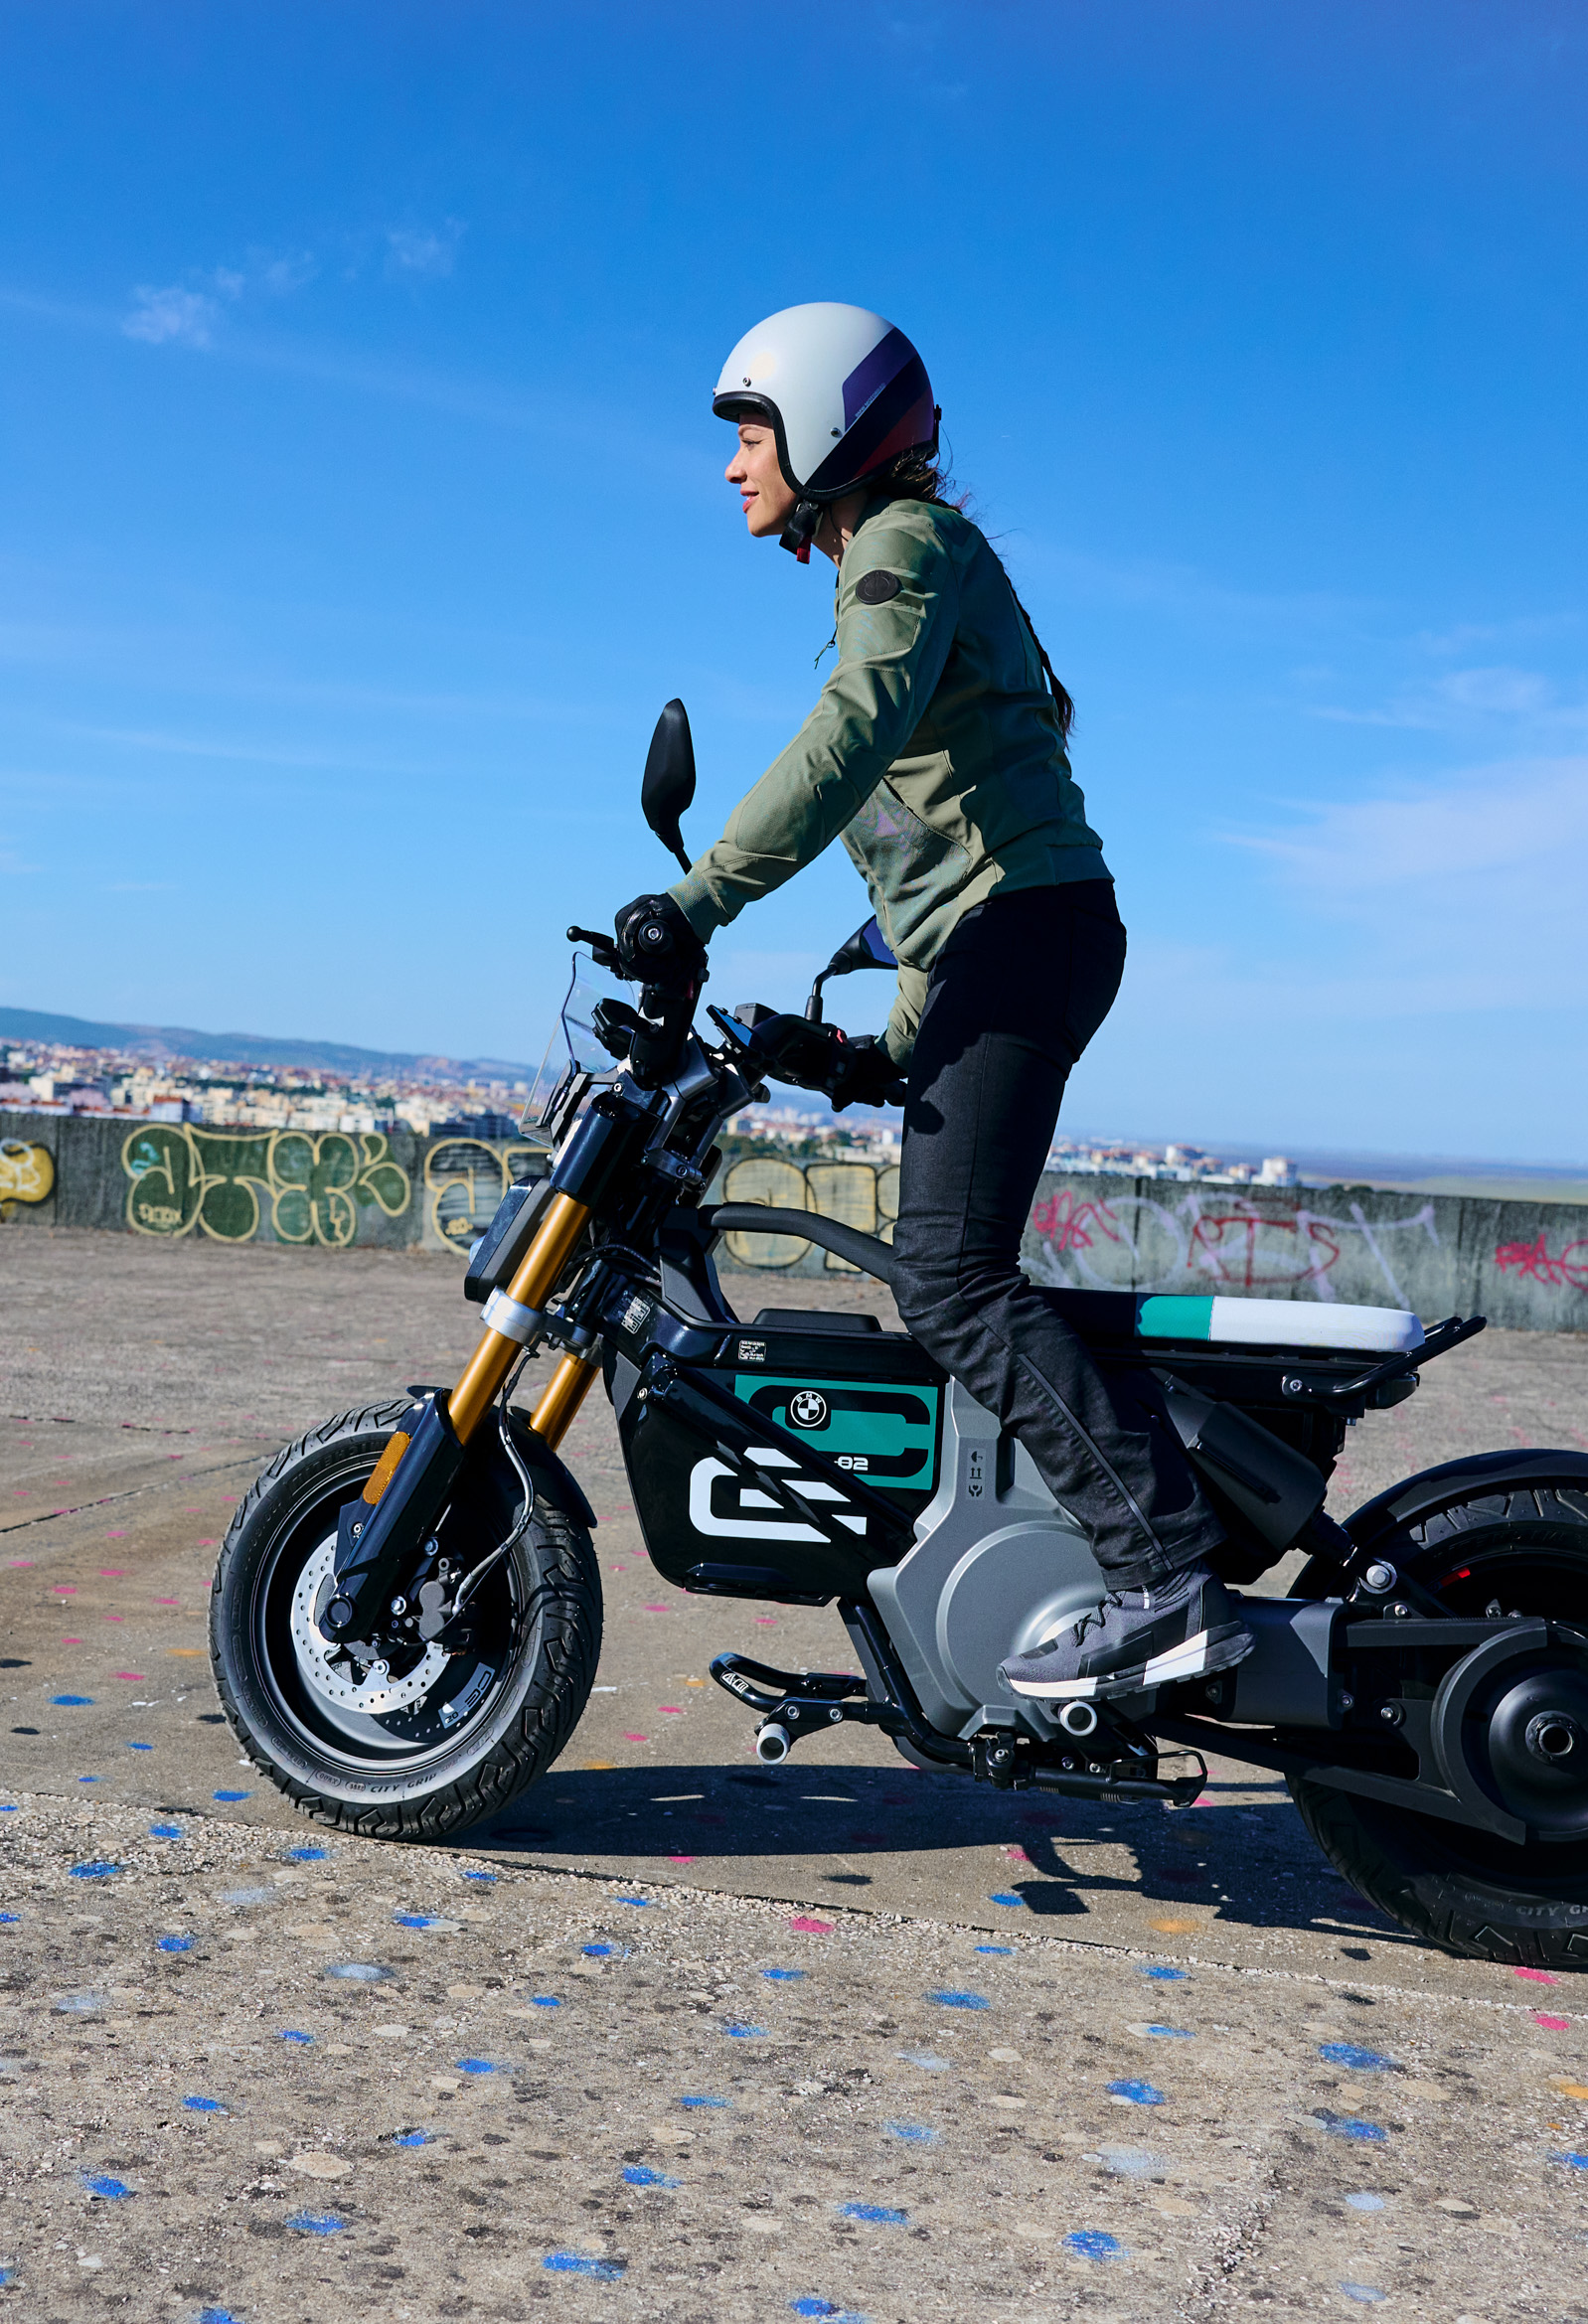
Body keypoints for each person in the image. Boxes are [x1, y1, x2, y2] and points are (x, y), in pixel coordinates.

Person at [602, 300, 1242, 1703]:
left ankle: (1166, 1576)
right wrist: (857, 1054)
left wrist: (697, 901)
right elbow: (934, 868)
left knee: (952, 1278)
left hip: (1033, 933)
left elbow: (853, 738)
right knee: (945, 1277)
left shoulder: (906, 547)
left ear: (829, 425)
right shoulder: (899, 572)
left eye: (753, 432)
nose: (732, 464)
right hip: (1009, 939)